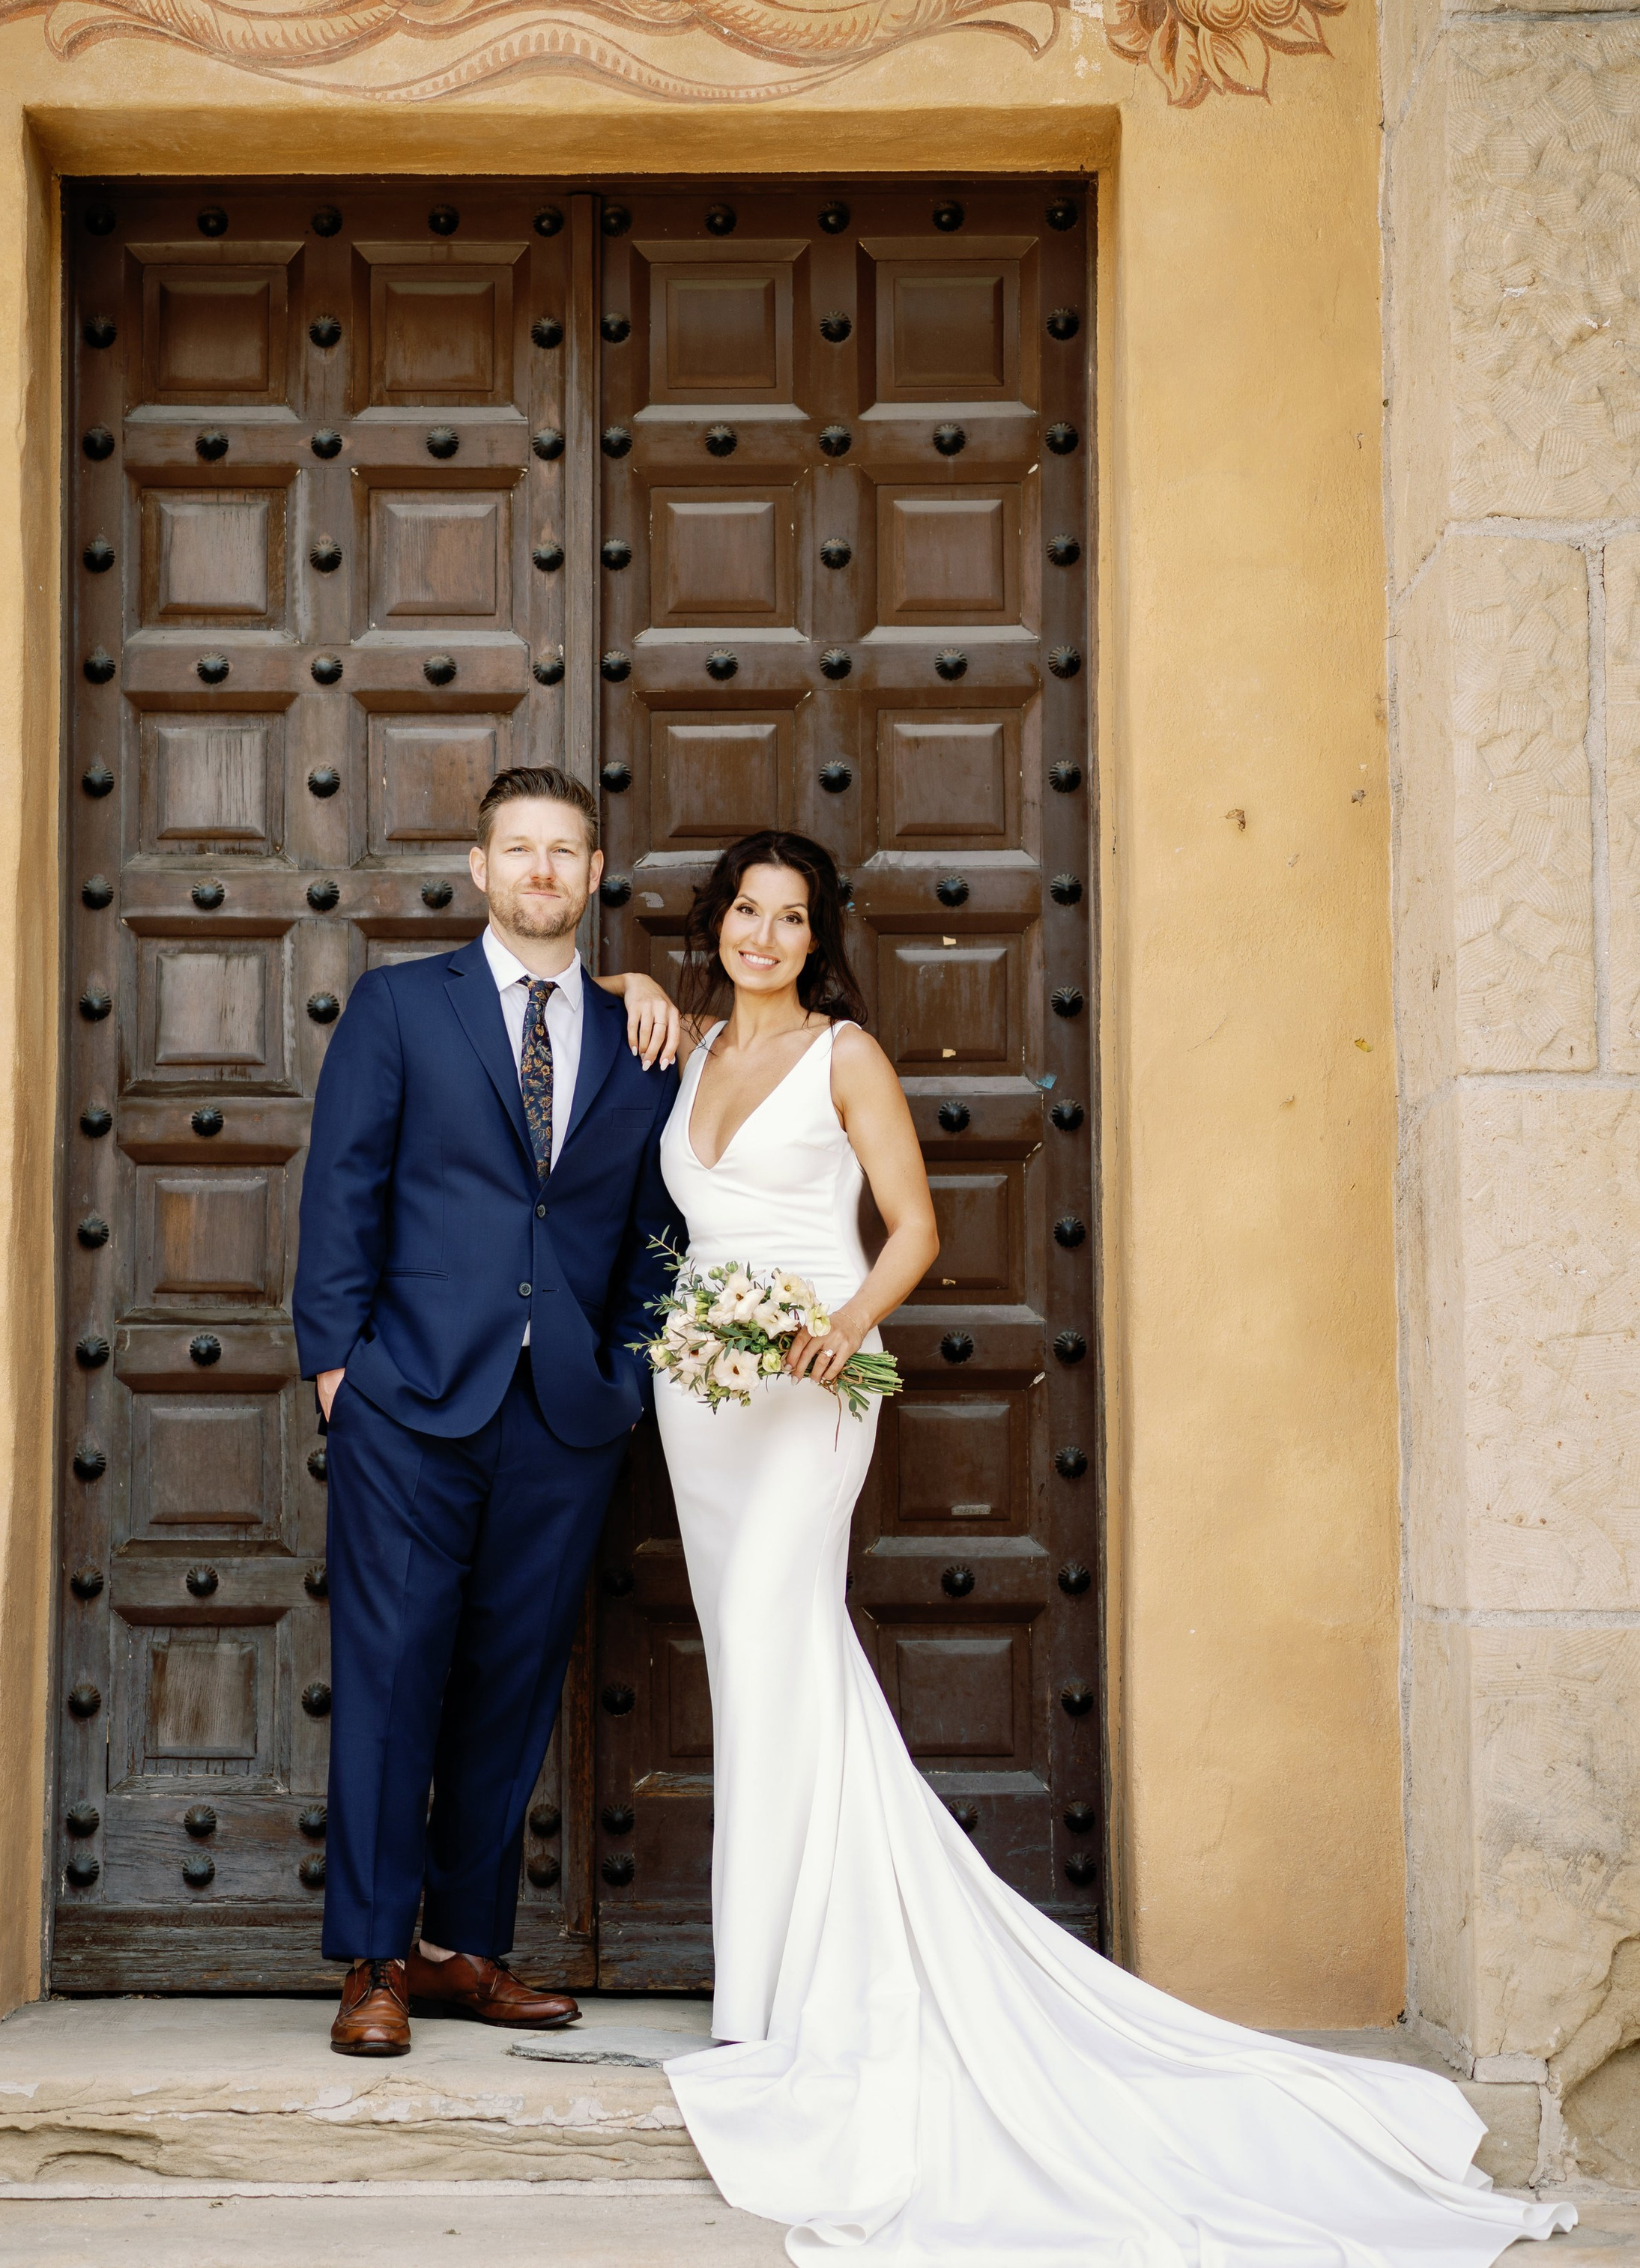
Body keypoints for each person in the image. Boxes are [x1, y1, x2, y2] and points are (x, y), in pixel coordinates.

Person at [651, 828, 1576, 2267]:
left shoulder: (845, 1057)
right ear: (713, 926)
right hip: (702, 1399)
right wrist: (643, 1005)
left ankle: (776, 2004)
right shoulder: (692, 1047)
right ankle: (773, 1977)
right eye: (744, 914)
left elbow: (913, 1228)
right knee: (764, 1666)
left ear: (816, 935)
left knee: (778, 1646)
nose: (763, 935)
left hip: (815, 1389)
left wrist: (844, 1328)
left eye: (789, 917)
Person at [291, 765, 684, 2059]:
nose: (541, 873)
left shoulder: (641, 1040)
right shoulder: (405, 1008)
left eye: (564, 852)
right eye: (519, 849)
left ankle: (465, 1952)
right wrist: (336, 1366)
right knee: (394, 1679)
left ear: (593, 872)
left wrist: (623, 1372)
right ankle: (372, 1963)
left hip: (564, 1415)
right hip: (407, 1399)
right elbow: (344, 1185)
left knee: (509, 1690)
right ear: (480, 867)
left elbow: (650, 1234)